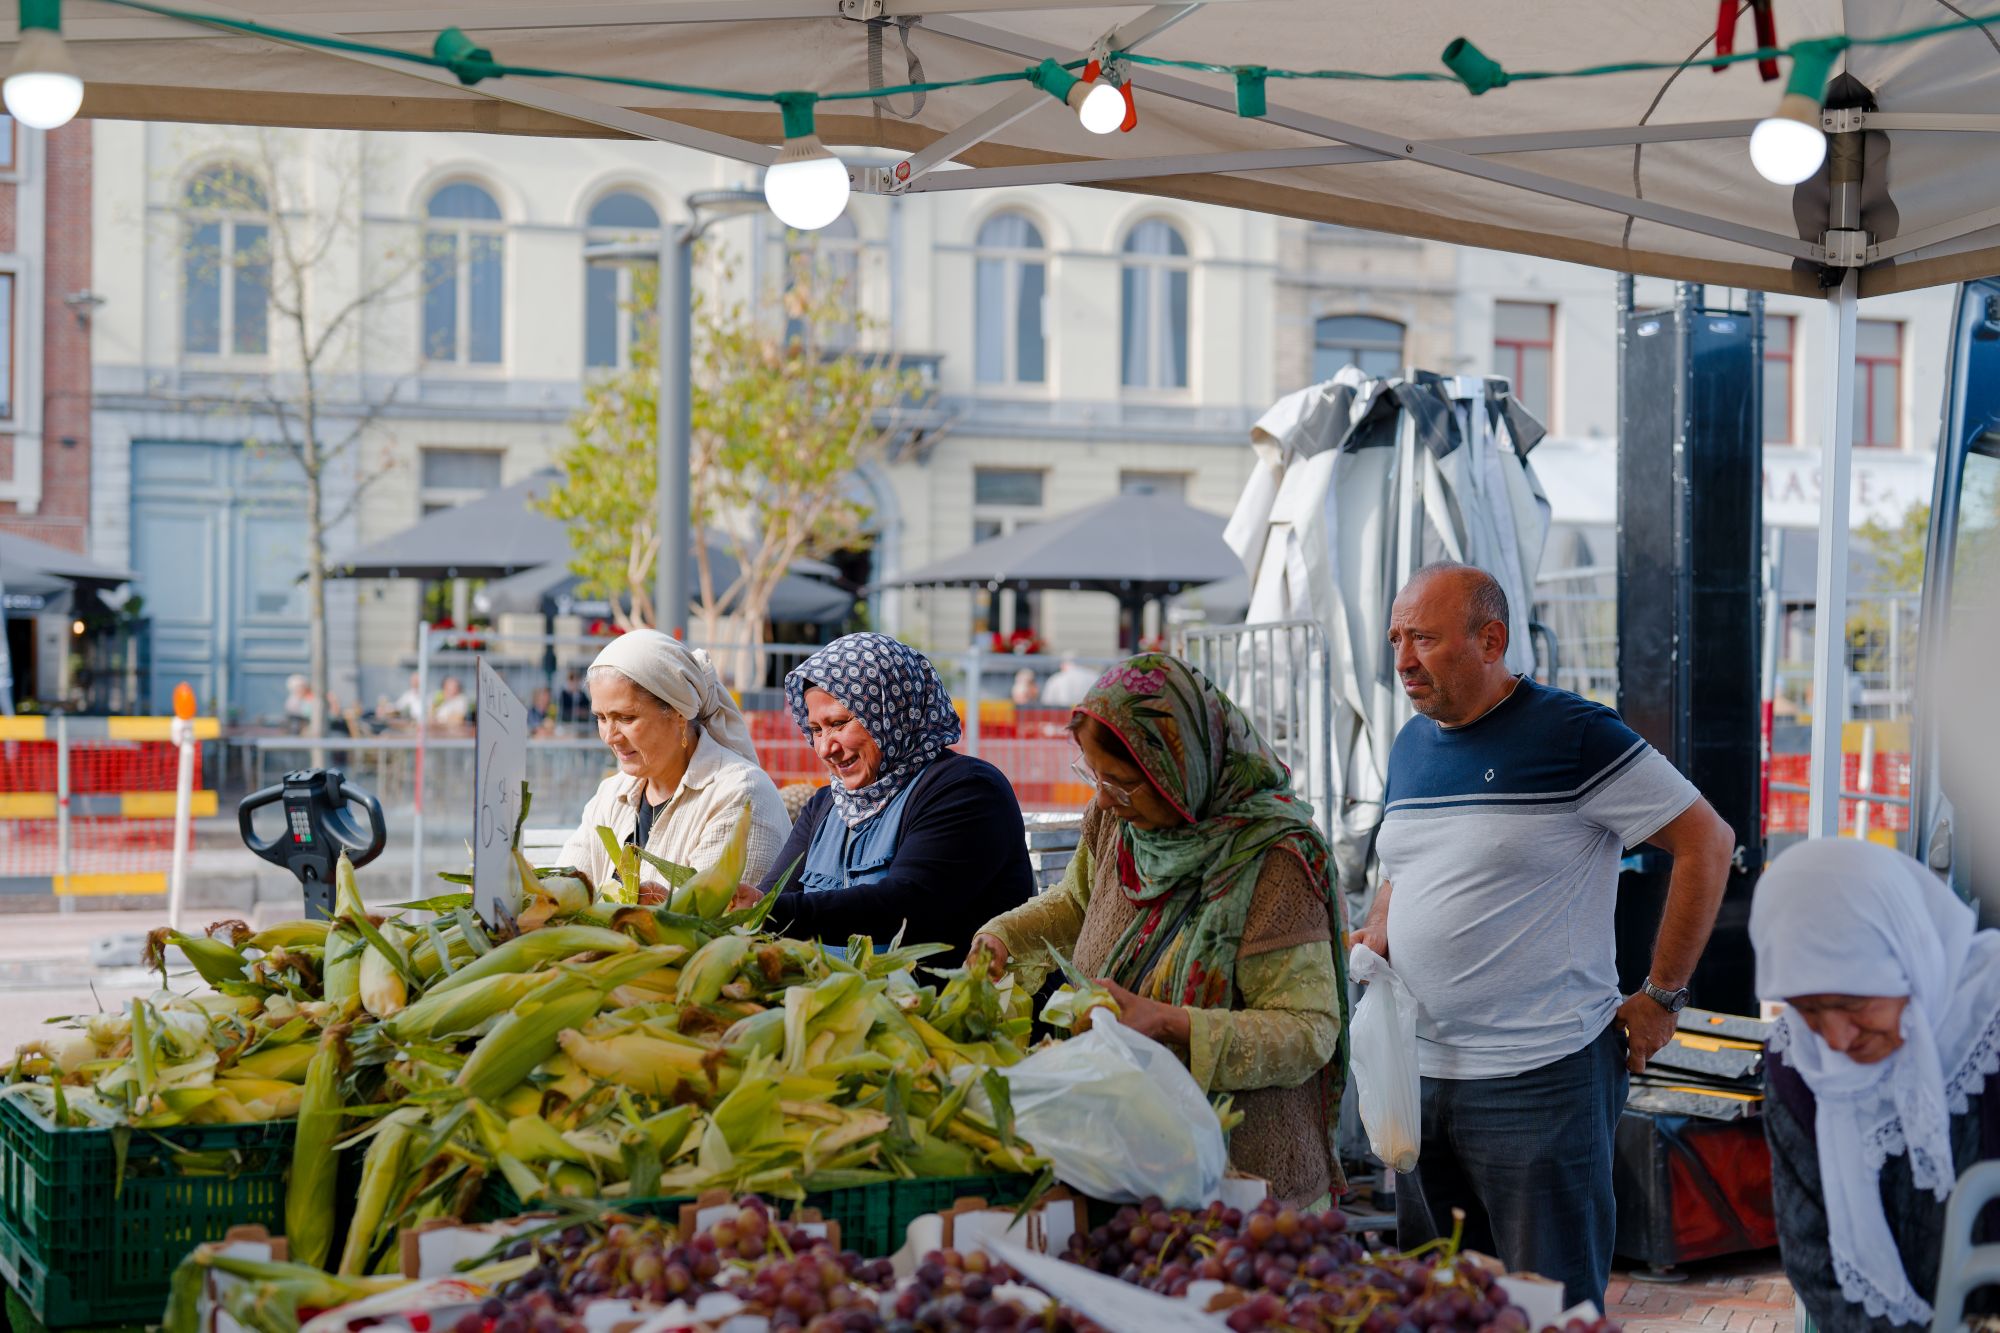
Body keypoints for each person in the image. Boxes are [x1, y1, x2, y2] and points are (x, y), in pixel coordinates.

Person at [1353, 561, 1733, 1309]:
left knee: (1550, 1310)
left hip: (1542, 1078)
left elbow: (1707, 842)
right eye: (1396, 638)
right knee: (1438, 1304)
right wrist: (1376, 930)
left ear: (1490, 639)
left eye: (1423, 638)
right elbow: (1405, 871)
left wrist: (1661, 996)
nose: (1402, 659)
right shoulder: (1409, 745)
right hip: (1420, 1077)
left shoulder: (1572, 732)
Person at [971, 653, 1344, 1205]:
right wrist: (1005, 933)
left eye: (1122, 783)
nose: (1103, 798)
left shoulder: (1275, 858)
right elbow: (1078, 900)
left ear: (1183, 766)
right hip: (1126, 1154)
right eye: (1093, 776)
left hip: (1240, 1176)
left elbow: (1309, 1029)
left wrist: (1173, 1024)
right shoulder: (1118, 818)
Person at [1751, 839, 2000, 1333]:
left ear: (1908, 957)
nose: (1837, 1039)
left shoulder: (1988, 1015)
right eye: (1809, 1009)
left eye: (1854, 1002)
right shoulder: (1796, 1064)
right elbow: (1813, 1251)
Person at [751, 632, 1033, 960]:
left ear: (890, 710)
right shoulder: (825, 806)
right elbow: (769, 900)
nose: (826, 747)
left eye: (839, 723)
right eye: (815, 730)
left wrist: (767, 911)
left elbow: (904, 905)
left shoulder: (967, 791)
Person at [557, 630, 789, 894]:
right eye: (600, 718)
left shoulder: (741, 795)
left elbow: (711, 920)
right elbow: (568, 887)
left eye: (626, 718)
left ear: (679, 714)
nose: (610, 737)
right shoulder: (612, 794)